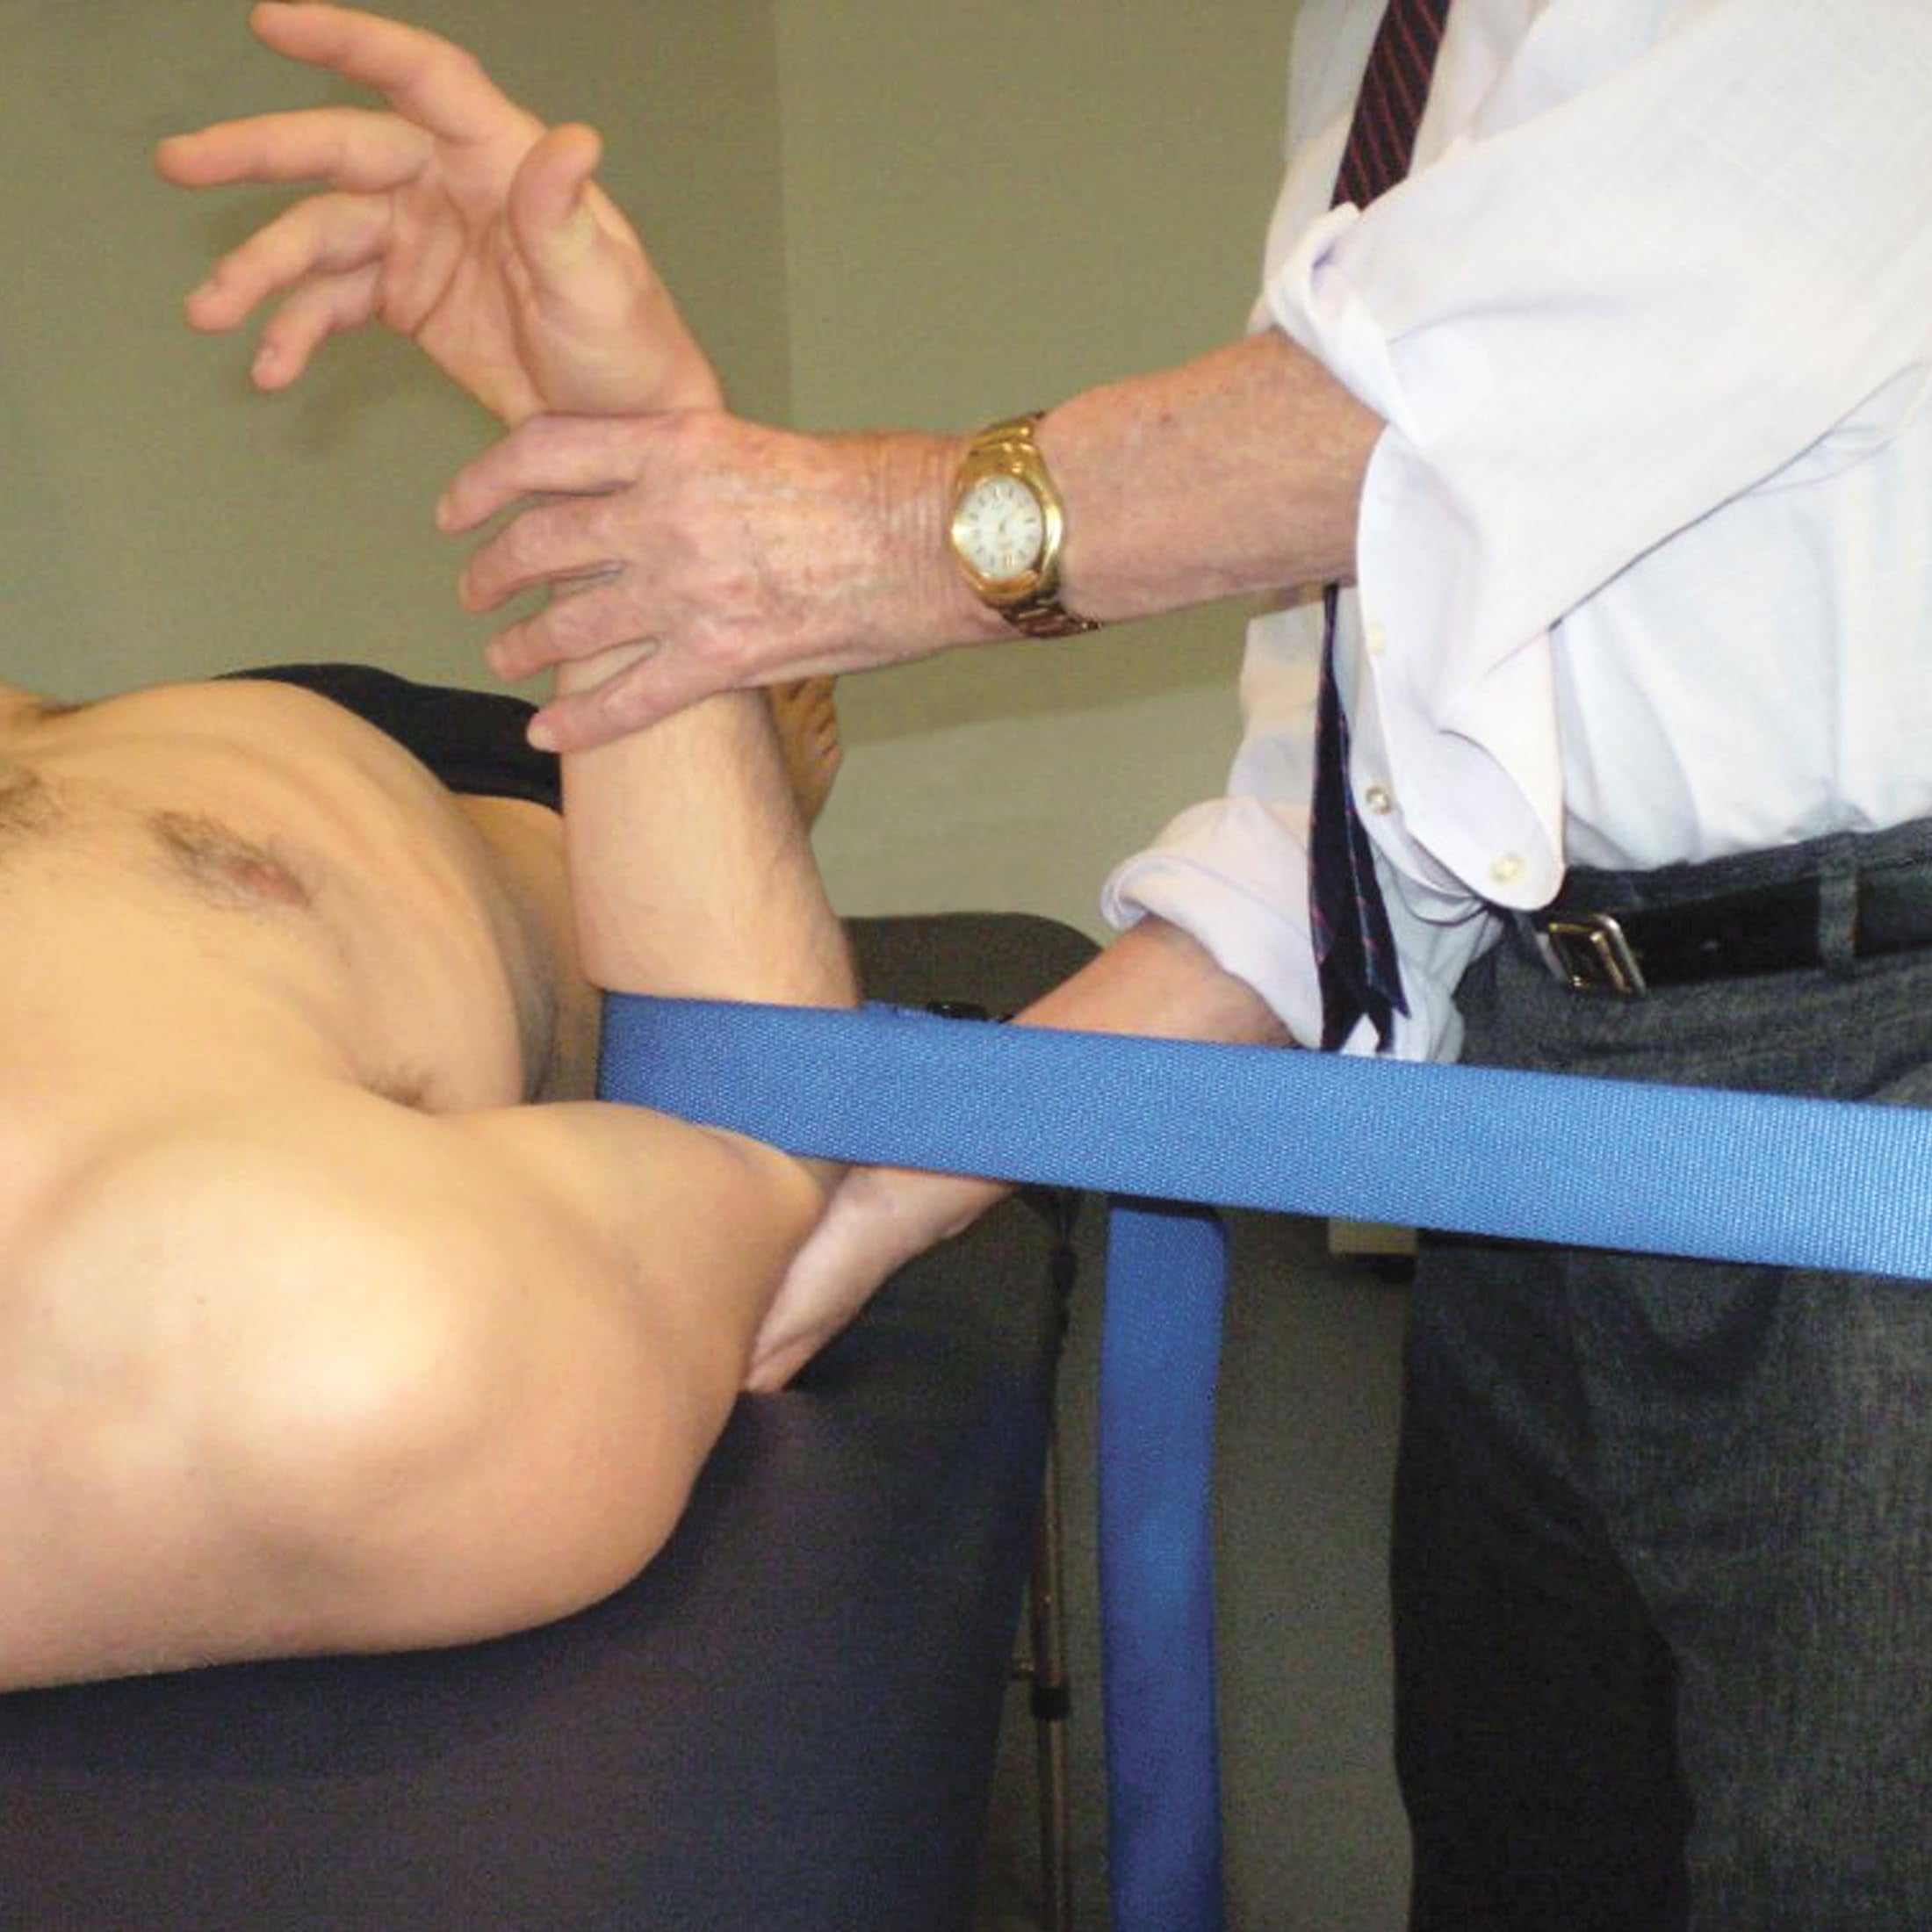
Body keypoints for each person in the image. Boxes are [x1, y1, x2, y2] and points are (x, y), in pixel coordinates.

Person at [169, 4, 1932, 1926]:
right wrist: (892, 1178)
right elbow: (1337, 825)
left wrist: (852, 538)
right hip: (1537, 1088)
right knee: (1530, 1847)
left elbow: (1491, 397)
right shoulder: (1380, 48)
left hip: (1873, 1075)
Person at [0, 6, 858, 1695]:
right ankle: (744, 750)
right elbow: (755, 1139)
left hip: (89, 729)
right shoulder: (316, 1342)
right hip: (448, 817)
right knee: (642, 834)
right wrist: (630, 482)